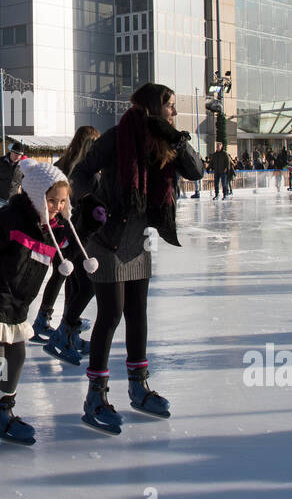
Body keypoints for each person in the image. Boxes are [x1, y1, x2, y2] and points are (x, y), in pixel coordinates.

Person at [70, 83, 204, 433]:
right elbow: (80, 173)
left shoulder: (165, 140)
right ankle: (95, 396)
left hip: (139, 238)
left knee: (137, 313)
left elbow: (197, 171)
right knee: (111, 314)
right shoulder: (118, 135)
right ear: (154, 105)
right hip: (109, 234)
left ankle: (138, 385)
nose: (174, 112)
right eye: (170, 106)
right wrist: (89, 202)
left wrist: (176, 138)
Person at [0, 160, 94, 452]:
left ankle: (3, 411)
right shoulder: (11, 217)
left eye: (61, 201)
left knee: (16, 359)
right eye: (51, 200)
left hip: (17, 306)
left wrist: (90, 225)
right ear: (35, 194)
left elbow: (63, 257)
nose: (56, 206)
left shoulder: (54, 230)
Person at [33, 126, 100, 339]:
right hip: (74, 232)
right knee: (75, 280)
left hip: (58, 230)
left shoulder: (61, 165)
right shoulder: (84, 171)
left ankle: (49, 320)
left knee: (63, 275)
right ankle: (65, 324)